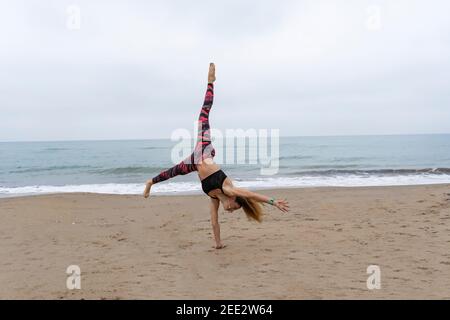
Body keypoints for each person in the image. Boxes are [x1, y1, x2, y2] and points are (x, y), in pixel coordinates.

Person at [144, 63, 289, 249]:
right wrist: (273, 201)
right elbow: (250, 195)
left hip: (194, 163)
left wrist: (218, 244)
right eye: (234, 207)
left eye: (231, 211)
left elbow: (214, 222)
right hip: (204, 150)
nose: (230, 210)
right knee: (204, 114)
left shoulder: (214, 197)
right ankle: (210, 83)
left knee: (172, 173)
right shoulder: (229, 190)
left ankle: (150, 182)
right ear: (232, 200)